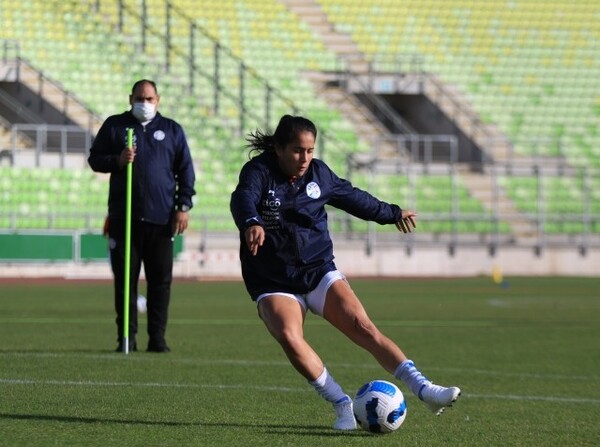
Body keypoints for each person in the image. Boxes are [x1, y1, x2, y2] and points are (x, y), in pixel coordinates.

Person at [230, 115, 460, 430]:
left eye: (310, 150)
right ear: (279, 148)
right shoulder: (258, 171)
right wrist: (251, 222)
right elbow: (242, 198)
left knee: (363, 326)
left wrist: (392, 213)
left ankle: (426, 390)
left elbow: (353, 198)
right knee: (289, 335)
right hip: (273, 279)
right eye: (298, 150)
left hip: (317, 269)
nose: (305, 158)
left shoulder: (319, 174)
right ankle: (342, 405)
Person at [88, 79, 196, 353]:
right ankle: (126, 337)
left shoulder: (172, 130)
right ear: (130, 98)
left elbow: (185, 172)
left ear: (157, 100)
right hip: (124, 220)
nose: (144, 103)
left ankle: (157, 338)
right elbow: (95, 159)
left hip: (161, 221)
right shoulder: (115, 126)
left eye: (149, 98)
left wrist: (183, 207)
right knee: (126, 281)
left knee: (161, 282)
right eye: (139, 98)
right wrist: (117, 160)